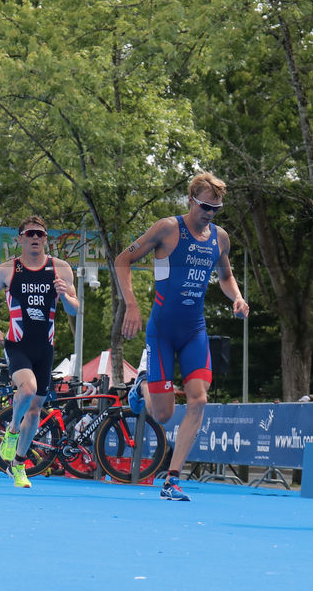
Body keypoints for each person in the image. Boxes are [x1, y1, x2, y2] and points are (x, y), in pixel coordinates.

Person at [115, 172, 249, 501]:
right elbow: (122, 260)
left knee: (199, 399)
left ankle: (172, 478)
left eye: (216, 208)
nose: (209, 213)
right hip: (162, 330)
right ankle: (143, 382)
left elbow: (226, 276)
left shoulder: (220, 238)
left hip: (194, 330)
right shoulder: (167, 229)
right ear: (190, 200)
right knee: (162, 414)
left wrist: (238, 297)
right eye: (204, 206)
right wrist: (131, 305)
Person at [0, 216, 80, 488]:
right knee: (26, 390)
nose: (35, 237)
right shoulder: (7, 269)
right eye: (30, 234)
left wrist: (67, 296)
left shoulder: (60, 269)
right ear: (20, 238)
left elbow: (74, 308)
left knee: (35, 411)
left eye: (40, 233)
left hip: (44, 348)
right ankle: (12, 432)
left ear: (46, 238)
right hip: (17, 344)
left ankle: (18, 464)